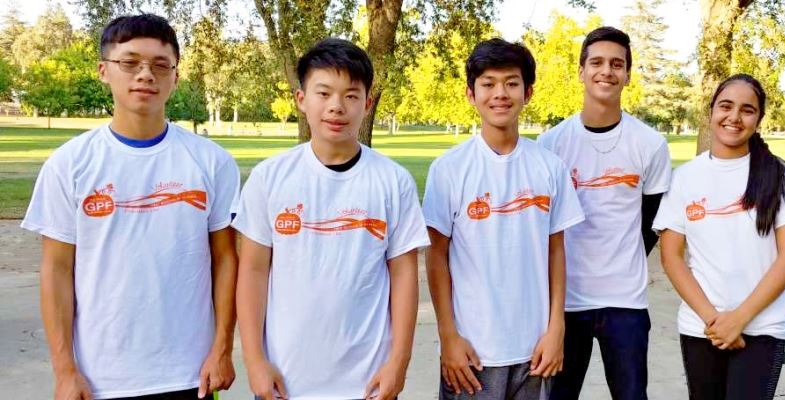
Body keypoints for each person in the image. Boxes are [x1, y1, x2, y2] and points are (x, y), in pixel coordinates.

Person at [22, 14, 239, 400]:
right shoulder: (69, 164)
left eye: (160, 65)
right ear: (104, 71)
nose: (146, 75)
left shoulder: (212, 161)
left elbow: (225, 260)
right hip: (100, 378)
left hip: (190, 374)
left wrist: (221, 350)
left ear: (175, 76)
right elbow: (56, 269)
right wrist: (64, 369)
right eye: (130, 62)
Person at [233, 38, 429, 400]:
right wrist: (254, 360)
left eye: (351, 96)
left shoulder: (393, 181)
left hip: (368, 381)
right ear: (301, 99)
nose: (336, 106)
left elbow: (403, 275)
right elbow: (253, 271)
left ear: (367, 104)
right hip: (286, 380)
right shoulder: (270, 177)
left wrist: (398, 362)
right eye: (323, 93)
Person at [423, 38, 585, 400]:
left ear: (528, 92)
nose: (500, 93)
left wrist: (556, 327)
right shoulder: (448, 169)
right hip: (472, 352)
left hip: (535, 351)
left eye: (511, 83)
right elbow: (436, 257)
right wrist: (448, 336)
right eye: (488, 84)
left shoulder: (549, 167)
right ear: (471, 94)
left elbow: (556, 251)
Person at [652, 73, 785, 400]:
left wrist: (739, 319)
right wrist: (715, 321)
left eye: (747, 110)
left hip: (762, 327)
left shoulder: (781, 174)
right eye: (726, 106)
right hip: (702, 327)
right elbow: (671, 257)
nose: (734, 117)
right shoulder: (684, 178)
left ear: (759, 119)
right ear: (711, 111)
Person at [538, 26, 672, 400]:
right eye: (596, 62)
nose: (606, 71)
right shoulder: (550, 144)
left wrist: (619, 259)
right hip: (565, 301)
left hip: (625, 302)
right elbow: (543, 225)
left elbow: (651, 222)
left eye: (617, 64)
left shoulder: (650, 144)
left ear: (627, 74)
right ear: (581, 71)